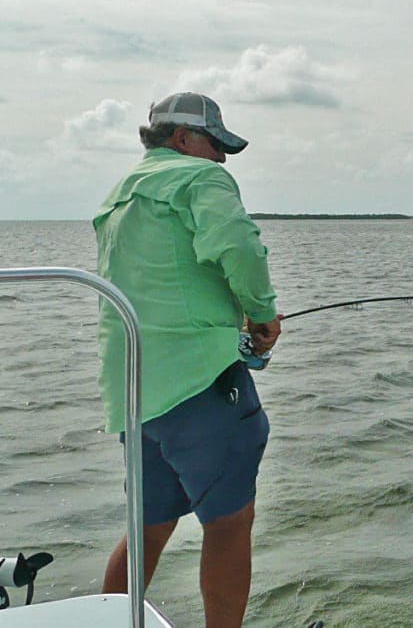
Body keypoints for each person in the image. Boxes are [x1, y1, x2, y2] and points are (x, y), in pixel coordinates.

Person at [94, 92, 281, 627]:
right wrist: (261, 315)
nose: (222, 159)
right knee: (228, 522)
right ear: (181, 139)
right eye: (215, 145)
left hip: (135, 393)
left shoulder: (121, 191)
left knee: (147, 526)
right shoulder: (200, 179)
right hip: (199, 382)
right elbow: (239, 247)